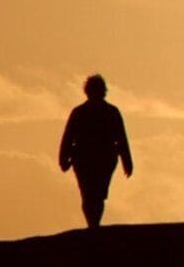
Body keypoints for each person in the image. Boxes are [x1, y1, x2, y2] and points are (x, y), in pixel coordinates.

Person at [57, 74, 135, 228]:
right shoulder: (81, 112)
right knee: (89, 193)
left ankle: (94, 225)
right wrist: (63, 158)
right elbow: (68, 137)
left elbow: (121, 138)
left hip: (103, 158)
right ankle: (93, 226)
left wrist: (127, 161)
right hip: (84, 159)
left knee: (96, 193)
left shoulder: (109, 112)